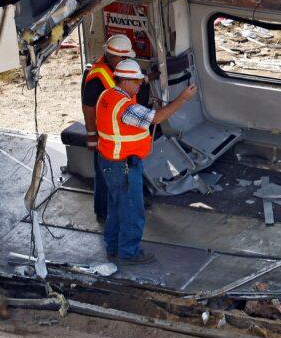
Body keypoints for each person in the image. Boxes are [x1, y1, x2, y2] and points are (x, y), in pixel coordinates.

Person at [96, 59, 198, 264]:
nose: (139, 85)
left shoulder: (107, 95)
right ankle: (129, 253)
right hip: (124, 166)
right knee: (132, 211)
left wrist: (151, 76)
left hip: (109, 161)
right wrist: (183, 98)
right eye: (135, 81)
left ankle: (113, 248)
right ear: (125, 81)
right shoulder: (126, 108)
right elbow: (157, 118)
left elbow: (142, 84)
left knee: (116, 208)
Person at [80, 34, 137, 223]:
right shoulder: (98, 77)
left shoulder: (113, 69)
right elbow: (88, 107)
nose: (126, 60)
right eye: (124, 57)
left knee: (119, 173)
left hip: (117, 132)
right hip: (104, 134)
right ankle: (103, 212)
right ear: (112, 56)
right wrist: (91, 136)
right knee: (105, 174)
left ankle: (119, 205)